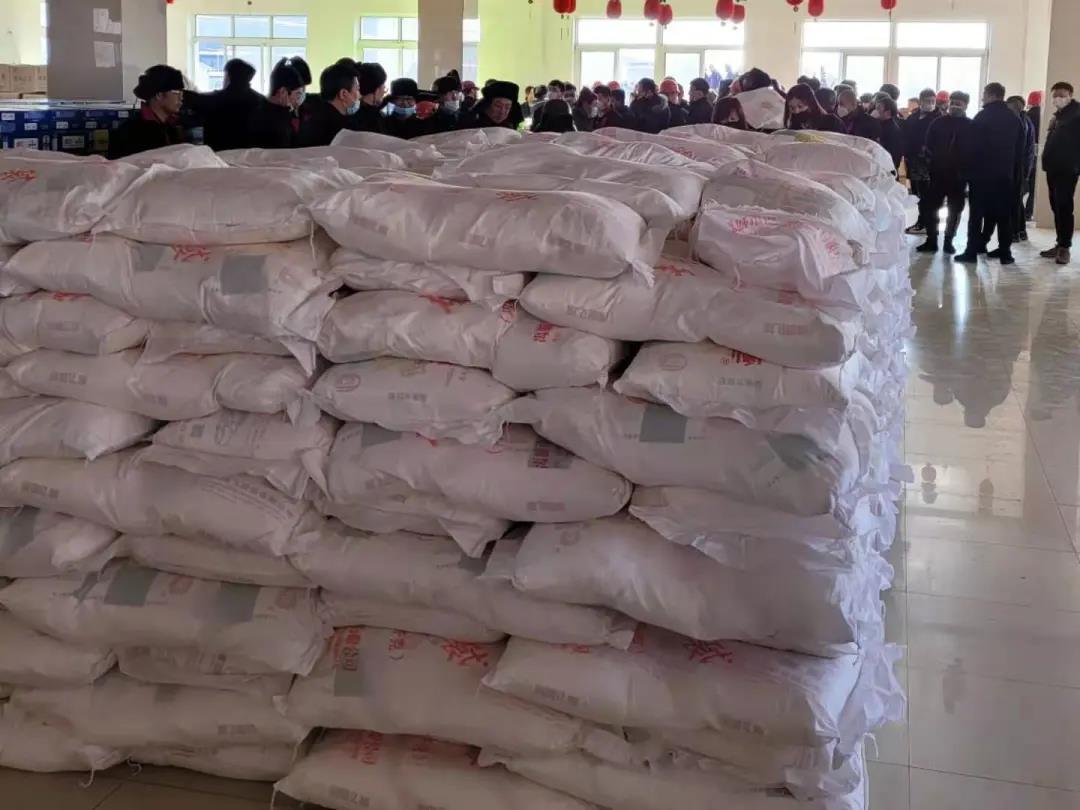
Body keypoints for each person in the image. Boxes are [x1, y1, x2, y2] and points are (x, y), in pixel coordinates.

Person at [954, 82, 1026, 265]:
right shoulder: (1014, 118)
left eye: (984, 94)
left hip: (981, 175)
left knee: (976, 215)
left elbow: (971, 147)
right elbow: (1021, 150)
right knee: (1004, 215)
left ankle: (971, 251)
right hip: (1005, 175)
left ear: (992, 95)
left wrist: (966, 171)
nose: (982, 97)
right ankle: (1005, 253)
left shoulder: (982, 117)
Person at [917, 91, 973, 255]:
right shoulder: (938, 123)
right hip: (937, 174)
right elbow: (928, 145)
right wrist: (930, 163)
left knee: (955, 209)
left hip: (959, 176)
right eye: (952, 102)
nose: (954, 106)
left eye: (958, 103)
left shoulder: (971, 126)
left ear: (966, 105)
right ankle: (932, 240)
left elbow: (975, 150)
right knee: (931, 207)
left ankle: (949, 241)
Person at [1039, 81, 1080, 265]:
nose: (1058, 98)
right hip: (1053, 168)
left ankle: (1065, 248)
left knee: (1064, 206)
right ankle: (1059, 243)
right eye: (1055, 95)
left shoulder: (1077, 114)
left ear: (1070, 95)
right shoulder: (1059, 115)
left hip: (1067, 169)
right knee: (1056, 206)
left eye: (1062, 95)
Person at [108, 65, 186, 159]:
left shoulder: (174, 126)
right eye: (176, 92)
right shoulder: (133, 132)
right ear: (159, 95)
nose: (181, 97)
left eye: (182, 92)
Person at [189, 58, 264, 151]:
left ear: (228, 76)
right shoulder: (261, 101)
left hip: (217, 155)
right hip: (251, 156)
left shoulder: (211, 100)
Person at [903, 88, 942, 235]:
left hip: (929, 163)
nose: (930, 104)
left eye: (933, 101)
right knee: (917, 193)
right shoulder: (913, 117)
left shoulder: (938, 118)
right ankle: (922, 221)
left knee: (928, 194)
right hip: (913, 161)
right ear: (920, 101)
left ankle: (928, 223)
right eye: (927, 101)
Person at [297, 62, 361, 147]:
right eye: (357, 89)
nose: (360, 96)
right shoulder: (339, 131)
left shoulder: (314, 115)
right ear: (343, 94)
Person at [246, 59, 304, 149]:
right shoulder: (269, 121)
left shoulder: (266, 109)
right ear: (283, 92)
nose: (298, 100)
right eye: (297, 94)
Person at [1006, 95, 1037, 242]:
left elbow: (1025, 149)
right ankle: (1020, 231)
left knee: (1014, 200)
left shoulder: (1021, 122)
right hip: (1022, 167)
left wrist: (1025, 172)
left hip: (1018, 167)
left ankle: (1015, 233)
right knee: (1017, 200)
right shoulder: (1025, 120)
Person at [459, 80, 523, 129]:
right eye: (498, 106)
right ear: (486, 105)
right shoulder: (470, 126)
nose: (502, 112)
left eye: (507, 107)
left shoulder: (510, 128)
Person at [353, 62, 387, 133]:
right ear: (377, 90)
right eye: (383, 85)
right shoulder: (375, 117)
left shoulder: (351, 110)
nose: (384, 90)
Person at [1025, 90, 1043, 221]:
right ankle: (1028, 213)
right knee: (1033, 187)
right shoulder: (1042, 115)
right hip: (1038, 154)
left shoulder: (1026, 116)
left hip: (1027, 154)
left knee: (1024, 184)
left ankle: (1018, 211)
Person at [874, 96, 904, 170]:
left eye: (879, 108)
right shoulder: (878, 125)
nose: (876, 111)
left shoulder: (893, 130)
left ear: (888, 112)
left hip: (886, 169)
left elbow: (895, 155)